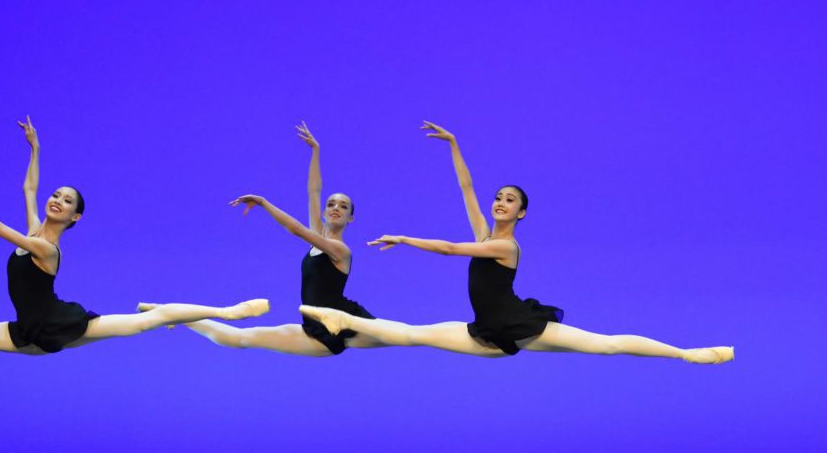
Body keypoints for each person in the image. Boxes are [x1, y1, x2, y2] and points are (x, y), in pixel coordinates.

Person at [301, 121, 733, 364]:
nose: (500, 202)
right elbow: (467, 189)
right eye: (499, 197)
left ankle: (688, 353)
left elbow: (452, 250)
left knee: (607, 344)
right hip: (487, 332)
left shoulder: (506, 248)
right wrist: (453, 145)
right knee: (417, 334)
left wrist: (404, 238)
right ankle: (338, 320)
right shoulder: (486, 232)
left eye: (510, 200)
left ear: (522, 213)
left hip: (520, 323)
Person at [0, 117, 268, 353]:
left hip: (59, 323)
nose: (55, 200)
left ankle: (228, 311)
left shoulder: (45, 247)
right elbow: (28, 188)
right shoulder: (34, 228)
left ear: (76, 218)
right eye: (56, 195)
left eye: (66, 201)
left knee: (146, 323)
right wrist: (35, 150)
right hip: (29, 328)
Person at [146, 122, 381, 356]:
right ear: (323, 211)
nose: (336, 208)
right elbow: (314, 192)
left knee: (407, 336)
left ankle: (171, 314)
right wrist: (316, 151)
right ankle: (171, 314)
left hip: (346, 324)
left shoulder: (340, 250)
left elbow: (297, 229)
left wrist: (263, 202)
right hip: (314, 330)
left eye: (344, 206)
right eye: (331, 204)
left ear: (351, 218)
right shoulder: (318, 236)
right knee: (238, 338)